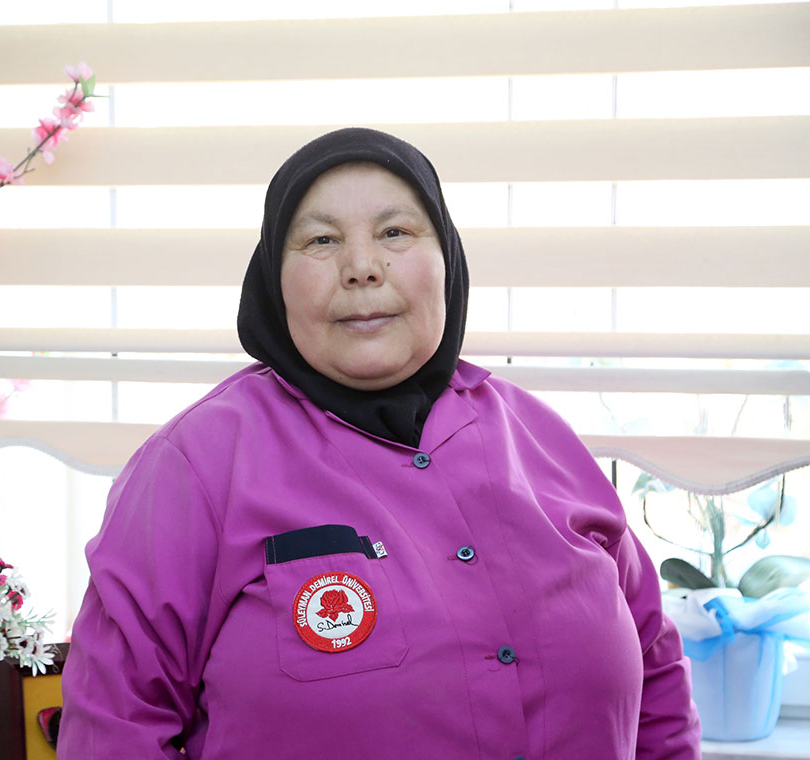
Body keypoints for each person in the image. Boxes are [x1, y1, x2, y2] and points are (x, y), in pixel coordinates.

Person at [57, 128, 701, 758]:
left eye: (395, 232)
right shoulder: (195, 464)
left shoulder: (541, 438)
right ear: (274, 277)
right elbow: (112, 730)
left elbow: (657, 677)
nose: (362, 267)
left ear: (447, 259)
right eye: (321, 240)